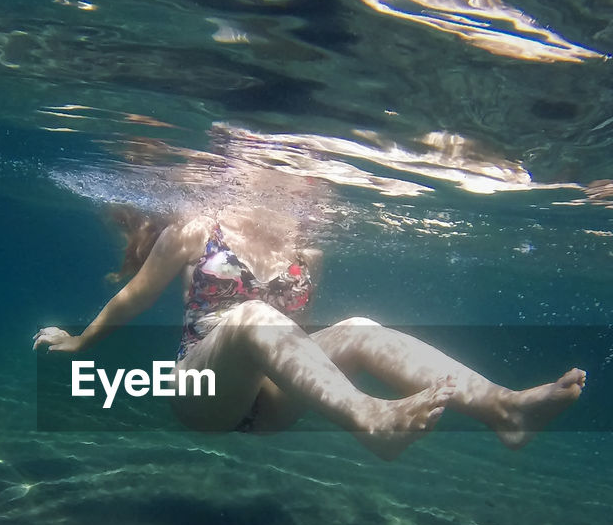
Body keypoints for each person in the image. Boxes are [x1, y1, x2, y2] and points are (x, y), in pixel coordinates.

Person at [34, 177, 585, 460]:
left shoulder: (309, 251)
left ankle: (503, 409)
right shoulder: (198, 230)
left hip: (272, 404)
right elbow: (134, 297)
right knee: (251, 315)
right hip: (202, 388)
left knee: (362, 326)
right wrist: (80, 343)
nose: (286, 187)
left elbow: (299, 336)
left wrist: (323, 361)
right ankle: (370, 419)